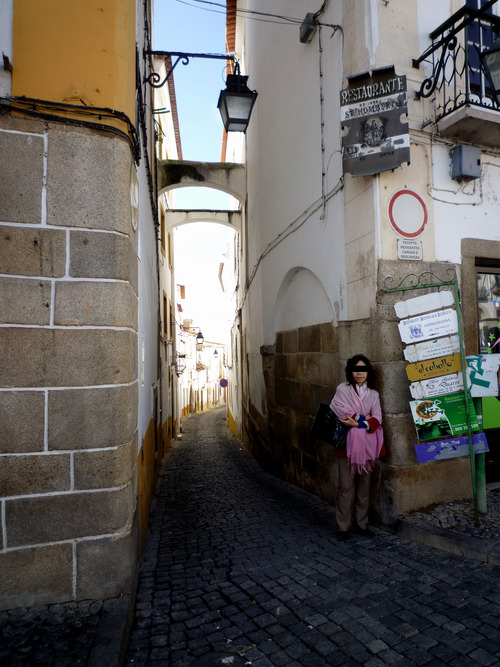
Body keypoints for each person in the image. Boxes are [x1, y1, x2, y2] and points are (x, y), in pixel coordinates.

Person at [330, 355, 385, 541]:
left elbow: (378, 419)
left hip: (367, 446)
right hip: (346, 445)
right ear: (350, 371)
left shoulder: (374, 395)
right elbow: (339, 411)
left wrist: (357, 423)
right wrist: (364, 418)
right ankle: (343, 526)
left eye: (362, 369)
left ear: (368, 371)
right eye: (355, 369)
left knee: (364, 486)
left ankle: (362, 523)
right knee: (345, 487)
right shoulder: (342, 390)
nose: (359, 373)